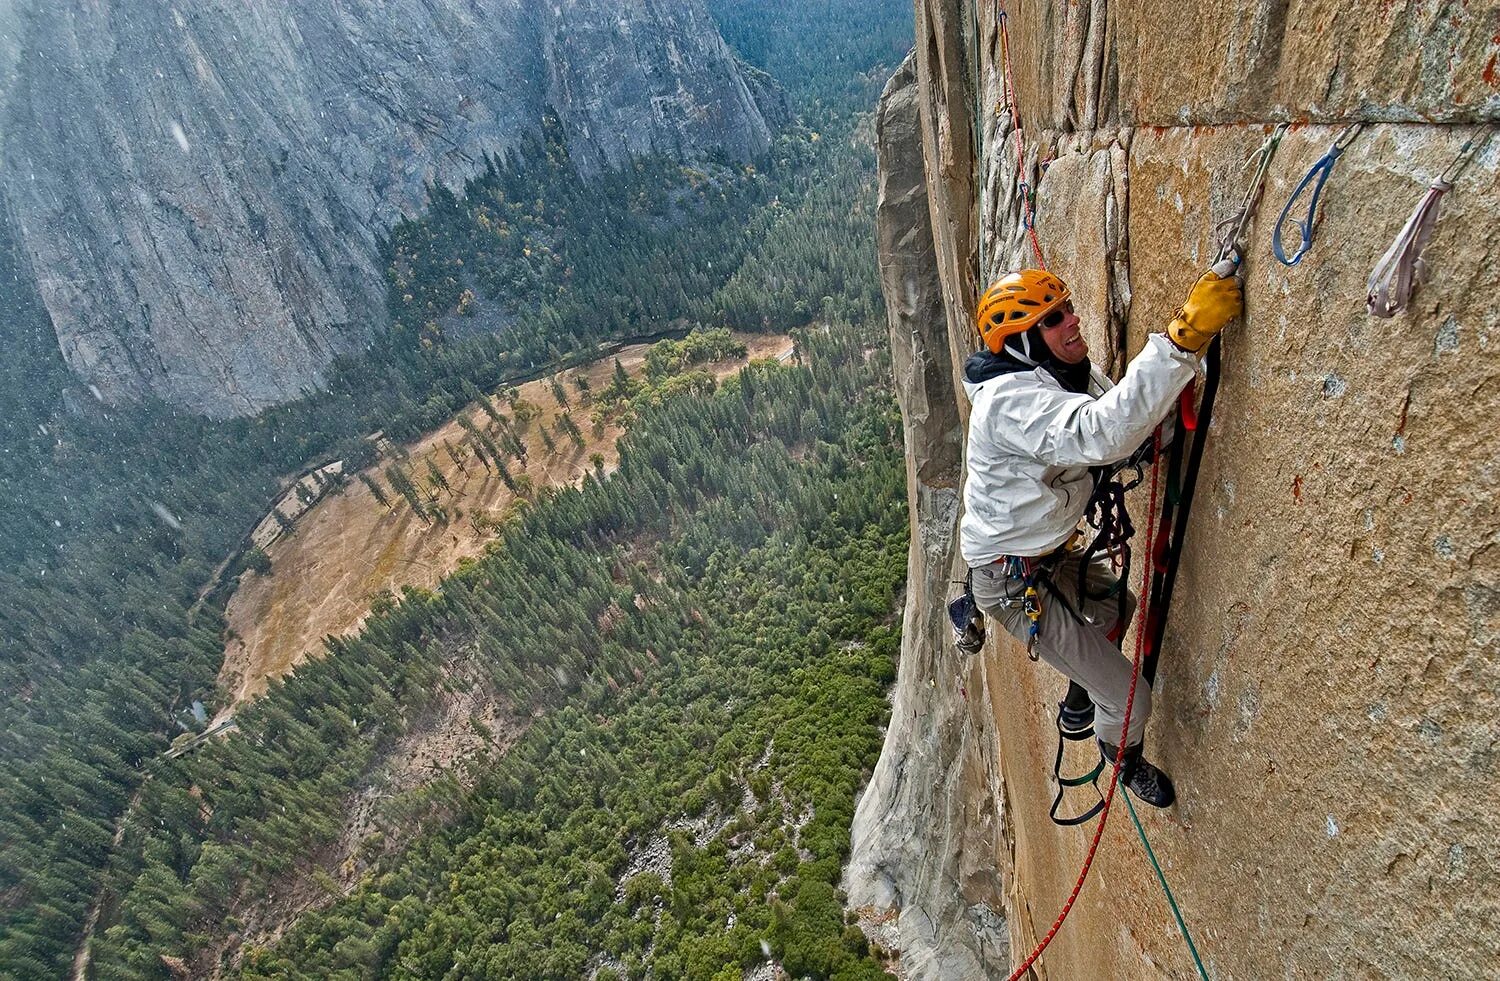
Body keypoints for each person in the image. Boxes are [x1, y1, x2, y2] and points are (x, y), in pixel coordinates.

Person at [960, 266, 1241, 807]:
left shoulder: (1065, 375)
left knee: (1118, 606)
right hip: (1010, 578)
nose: (1073, 321)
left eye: (1067, 308)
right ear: (1023, 341)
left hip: (1041, 556)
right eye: (1053, 319)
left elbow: (1111, 422)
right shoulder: (1007, 405)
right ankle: (1121, 754)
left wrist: (1152, 428)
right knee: (1132, 701)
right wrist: (1182, 341)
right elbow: (1096, 431)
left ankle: (1083, 687)